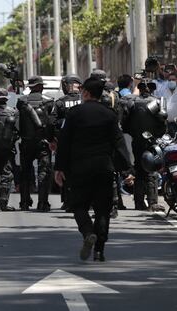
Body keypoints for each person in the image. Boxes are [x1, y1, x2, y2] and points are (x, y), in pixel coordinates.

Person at [54, 77, 132, 262]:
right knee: (103, 210)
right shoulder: (110, 114)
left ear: (86, 93)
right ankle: (99, 250)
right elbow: (119, 144)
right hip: (104, 168)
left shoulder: (74, 113)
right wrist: (127, 170)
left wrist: (59, 168)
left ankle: (88, 232)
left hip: (79, 169)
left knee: (79, 206)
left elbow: (64, 142)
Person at [120, 78, 167, 212]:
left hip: (137, 141)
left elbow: (124, 124)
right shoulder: (156, 102)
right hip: (152, 141)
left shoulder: (132, 102)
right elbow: (163, 123)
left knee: (139, 171)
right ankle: (152, 202)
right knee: (151, 170)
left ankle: (139, 203)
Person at [17, 75, 55, 212]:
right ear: (40, 86)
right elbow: (52, 123)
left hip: (26, 142)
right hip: (43, 142)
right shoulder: (49, 102)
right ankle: (43, 203)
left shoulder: (21, 101)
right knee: (44, 171)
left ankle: (25, 202)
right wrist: (52, 139)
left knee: (25, 172)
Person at [52, 74, 82, 212]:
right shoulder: (85, 101)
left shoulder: (60, 102)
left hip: (65, 143)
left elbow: (51, 123)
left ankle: (68, 201)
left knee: (66, 172)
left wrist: (53, 139)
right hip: (84, 143)